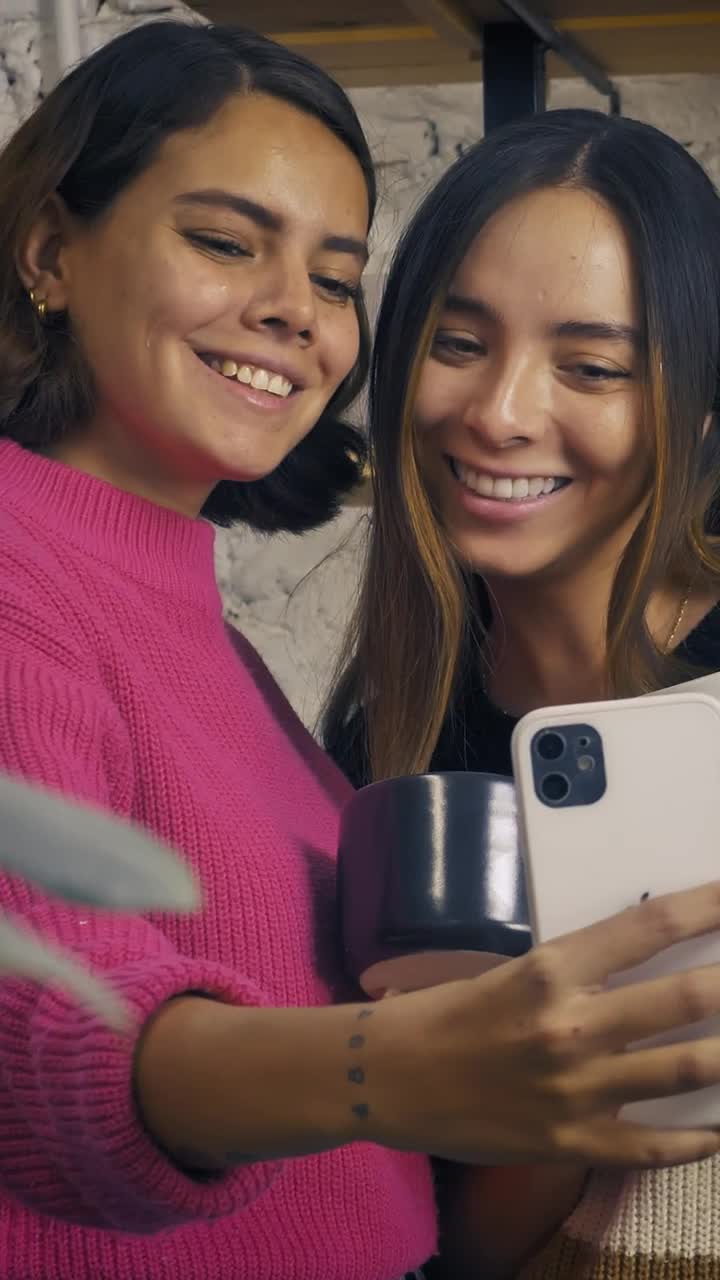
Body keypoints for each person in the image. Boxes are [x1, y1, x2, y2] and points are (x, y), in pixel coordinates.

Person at [3, 29, 720, 1280]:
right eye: (226, 240)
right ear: (51, 251)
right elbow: (46, 1022)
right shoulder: (397, 736)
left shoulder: (247, 675)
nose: (500, 411)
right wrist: (428, 1071)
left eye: (337, 277)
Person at [325, 109, 720, 1277]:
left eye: (591, 367)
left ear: (695, 414)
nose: (499, 412)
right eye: (457, 343)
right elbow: (446, 1238)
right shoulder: (394, 738)